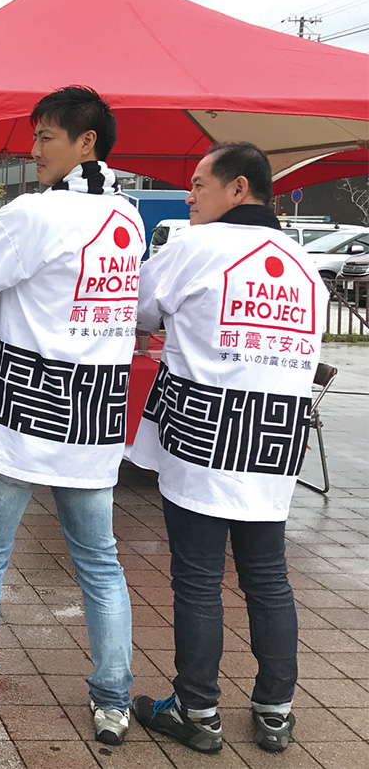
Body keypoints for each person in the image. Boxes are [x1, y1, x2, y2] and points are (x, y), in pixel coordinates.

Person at [0, 86, 141, 745]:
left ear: (86, 143)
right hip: (93, 417)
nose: (34, 148)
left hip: (21, 411)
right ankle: (113, 702)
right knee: (101, 565)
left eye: (46, 136)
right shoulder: (127, 218)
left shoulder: (35, 214)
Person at [129, 142, 325, 755]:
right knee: (268, 577)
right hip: (276, 434)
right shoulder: (302, 264)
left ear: (238, 189)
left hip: (205, 429)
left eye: (197, 184)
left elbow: (139, 313)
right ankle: (275, 709)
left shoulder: (192, 247)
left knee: (197, 578)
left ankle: (197, 709)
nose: (189, 196)